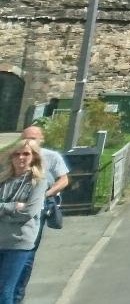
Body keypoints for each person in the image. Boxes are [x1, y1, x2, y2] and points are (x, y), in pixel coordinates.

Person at [12, 128, 65, 304]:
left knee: (26, 252)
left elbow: (63, 179)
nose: (29, 141)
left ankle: (17, 295)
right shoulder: (14, 156)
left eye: (33, 138)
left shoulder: (51, 157)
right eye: (26, 138)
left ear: (41, 140)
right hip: (12, 210)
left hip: (39, 209)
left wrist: (46, 194)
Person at [0, 140, 46, 304]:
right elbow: (18, 210)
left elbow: (28, 212)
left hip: (19, 243)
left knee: (5, 289)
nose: (21, 158)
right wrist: (13, 207)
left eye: (26, 154)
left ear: (34, 157)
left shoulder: (38, 182)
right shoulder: (3, 180)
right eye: (17, 154)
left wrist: (3, 210)